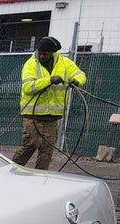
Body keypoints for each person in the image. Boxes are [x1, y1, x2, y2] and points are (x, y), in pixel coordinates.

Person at [11, 36, 86, 170]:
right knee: (32, 143)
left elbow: (80, 74)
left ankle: (41, 176)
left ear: (52, 53)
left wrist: (77, 81)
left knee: (47, 150)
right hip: (32, 114)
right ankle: (11, 169)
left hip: (52, 116)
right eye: (40, 53)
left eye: (45, 54)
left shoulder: (64, 63)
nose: (41, 56)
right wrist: (49, 80)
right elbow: (28, 87)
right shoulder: (31, 64)